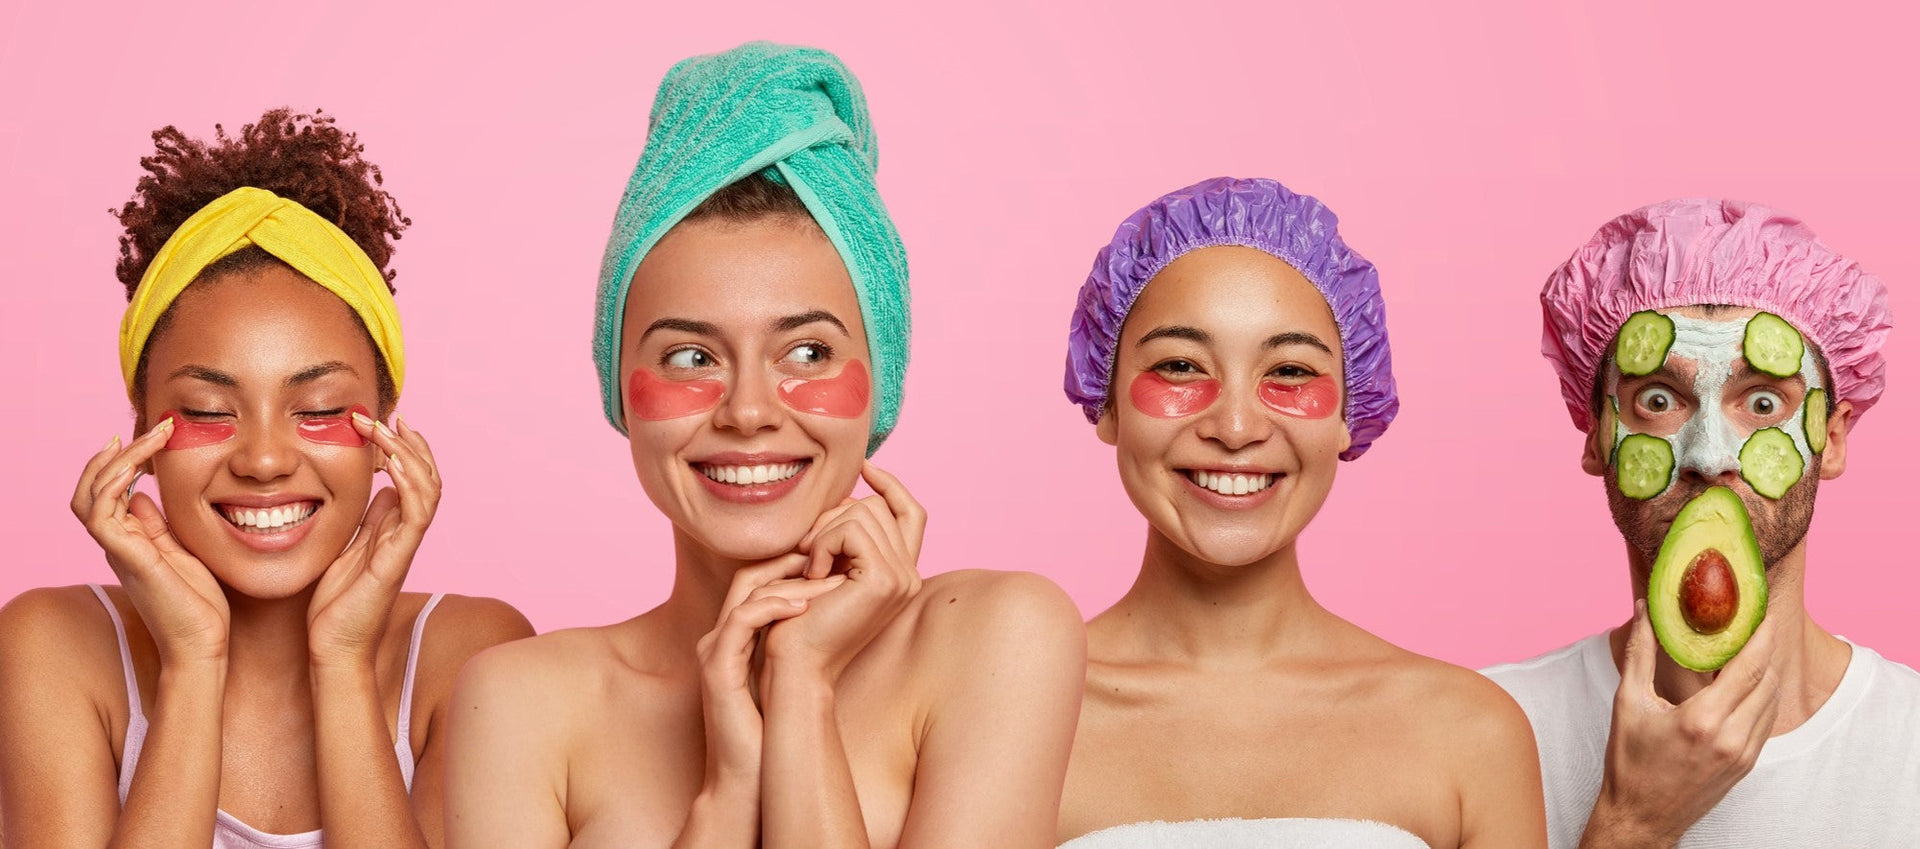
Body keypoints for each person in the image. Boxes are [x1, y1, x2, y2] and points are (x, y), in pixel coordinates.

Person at [443, 42, 1085, 849]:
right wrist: (727, 795)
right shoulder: (516, 703)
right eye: (691, 357)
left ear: (879, 376)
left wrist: (802, 681)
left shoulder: (1000, 639)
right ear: (620, 387)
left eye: (808, 353)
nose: (747, 411)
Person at [0, 109, 532, 848]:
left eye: (315, 408)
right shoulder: (53, 646)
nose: (264, 458)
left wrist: (342, 660)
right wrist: (192, 662)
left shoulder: (473, 656)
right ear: (143, 433)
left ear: (385, 431)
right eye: (209, 410)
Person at [1055, 177, 1546, 849]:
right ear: (1107, 404)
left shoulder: (1470, 732)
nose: (1234, 425)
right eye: (1178, 365)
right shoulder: (1015, 722)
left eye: (1288, 372)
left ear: (1349, 413)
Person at [1482, 198, 1920, 848]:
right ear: (1595, 434)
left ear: (1832, 438)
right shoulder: (1484, 732)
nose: (1709, 455)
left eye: (1764, 402)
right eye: (1657, 400)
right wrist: (1633, 824)